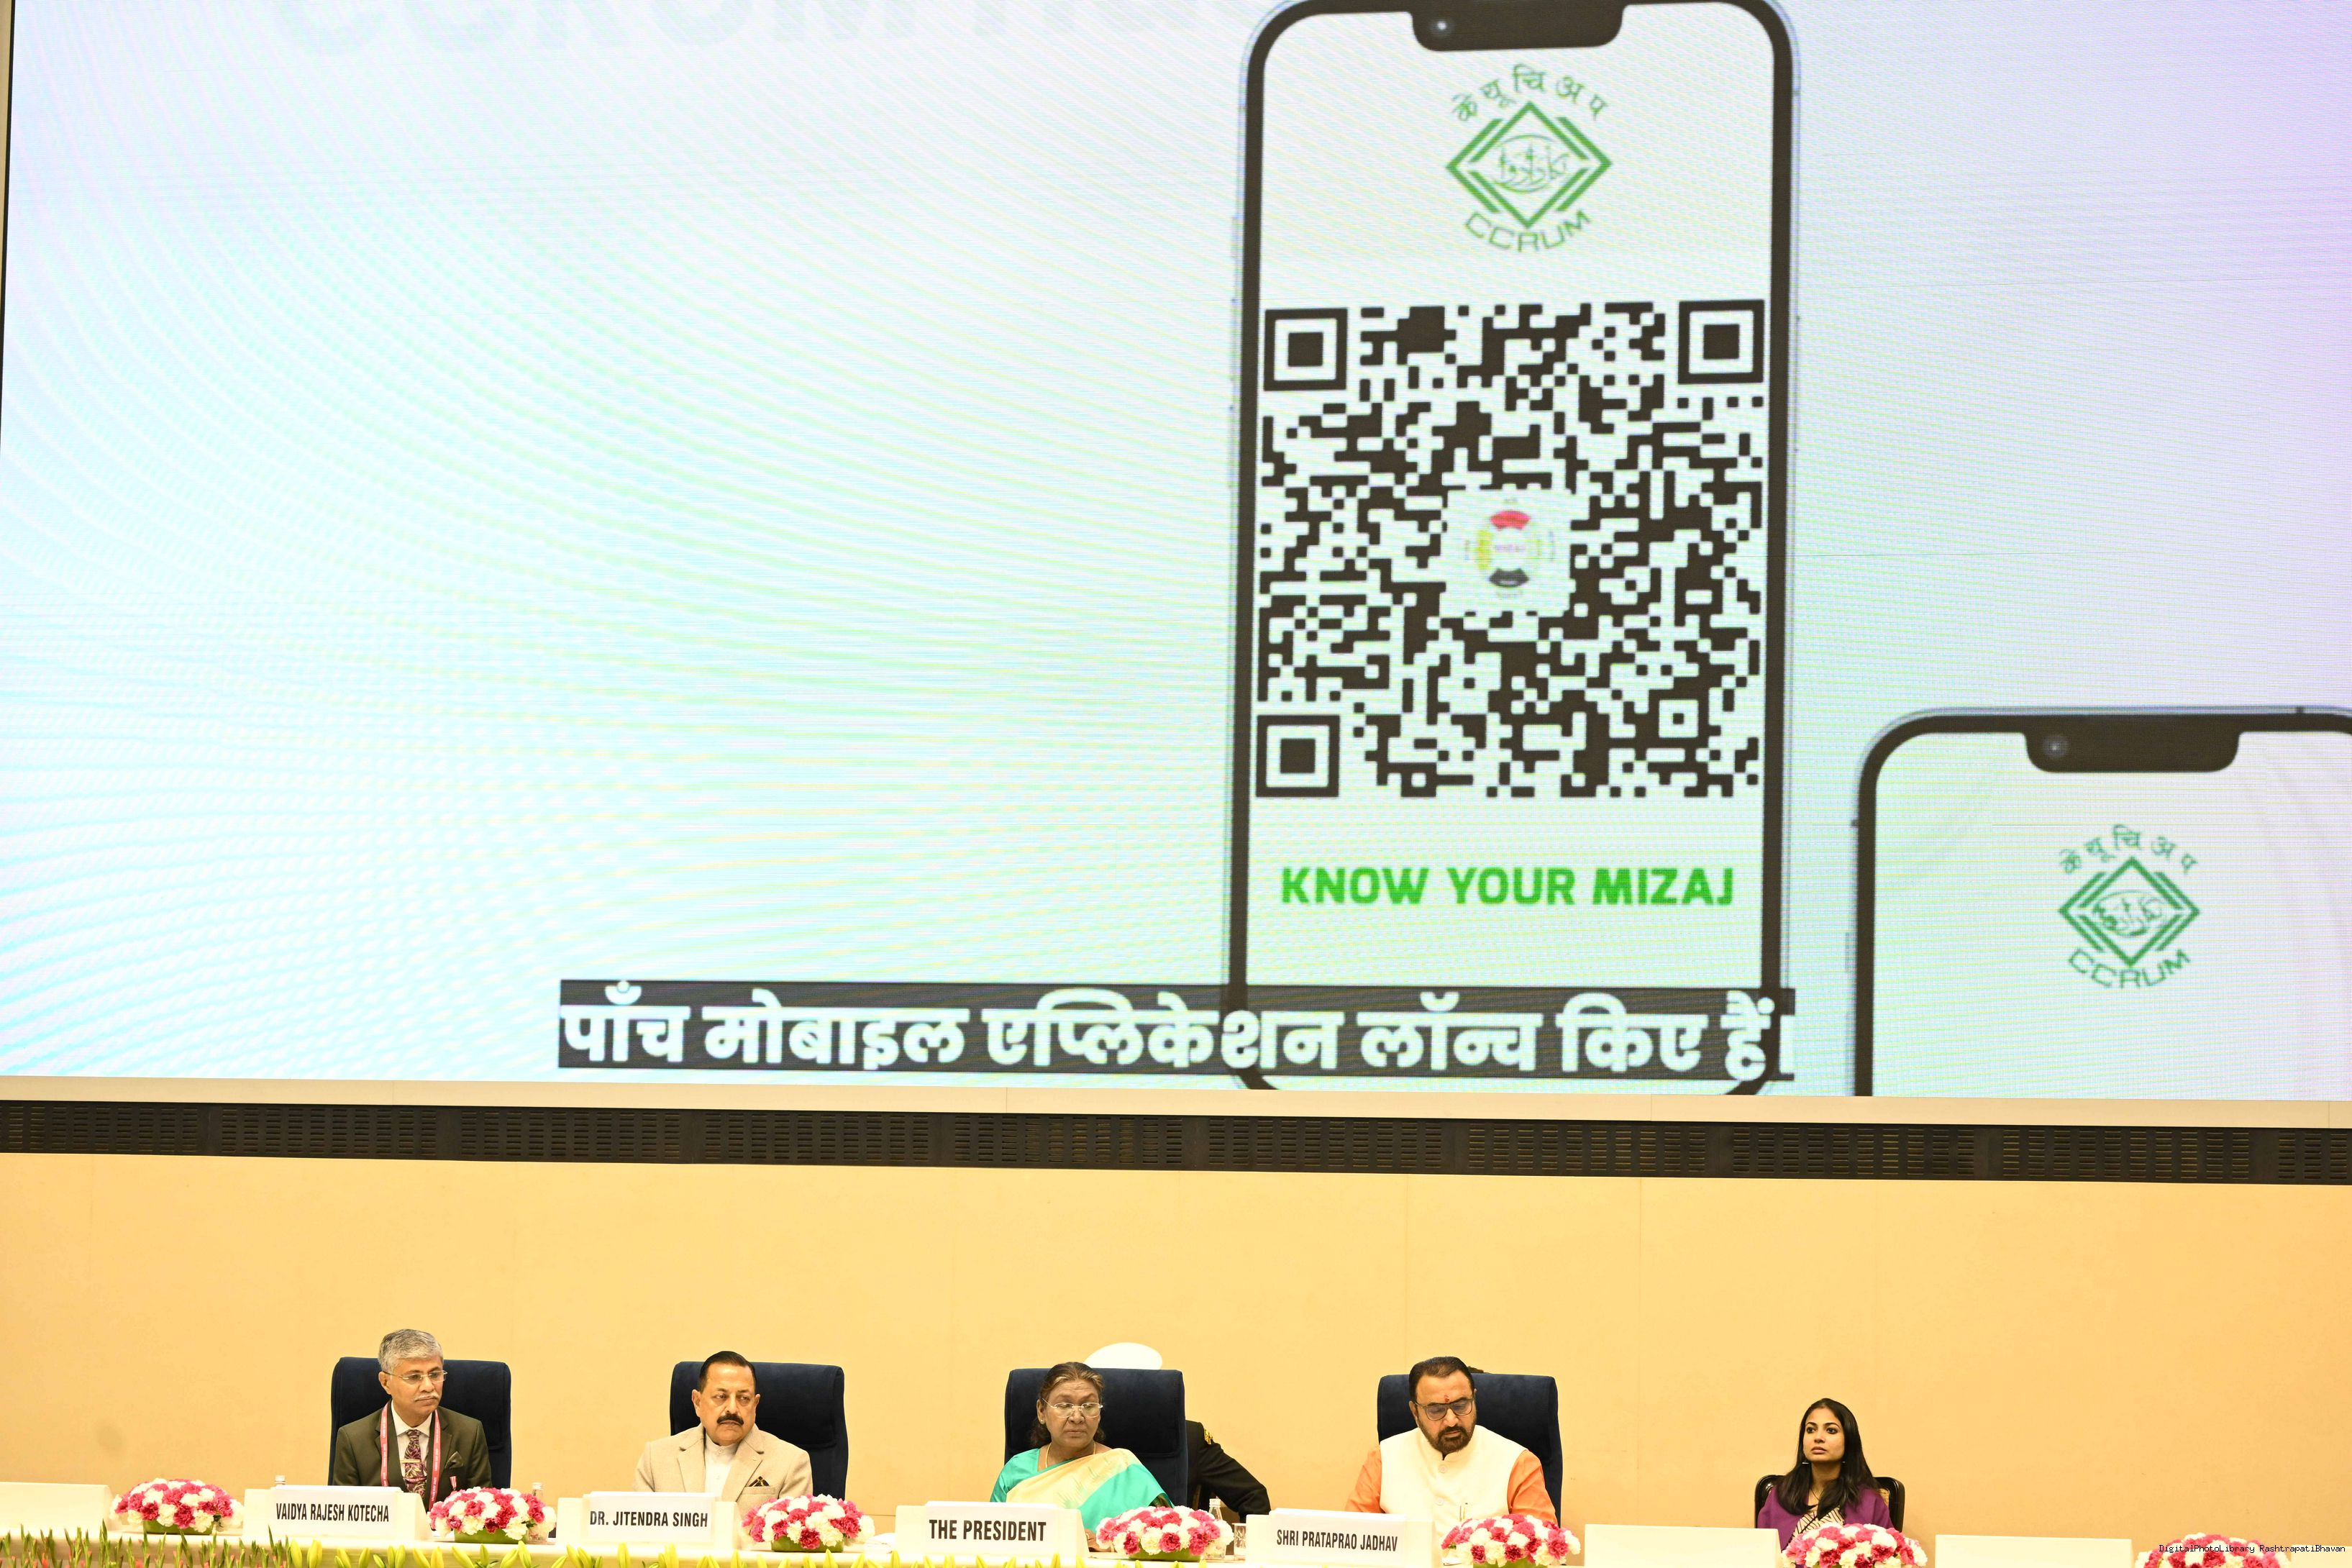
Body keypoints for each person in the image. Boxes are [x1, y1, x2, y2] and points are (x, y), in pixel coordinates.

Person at [1345, 1357, 1555, 1526]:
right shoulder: (1383, 1458)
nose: (1451, 1420)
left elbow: (1540, 1549)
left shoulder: (1517, 1462)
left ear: (1474, 1399)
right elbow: (1353, 1539)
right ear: (1415, 1412)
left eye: (1461, 1405)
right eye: (1436, 1410)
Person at [1081, 1342, 1272, 1517]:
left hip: (1170, 1541)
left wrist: (1244, 1543)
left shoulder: (1189, 1437)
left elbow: (1253, 1497)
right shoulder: (1081, 1438)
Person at [990, 1362, 1169, 1530]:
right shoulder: (1016, 1471)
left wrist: (1106, 1545)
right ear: (1042, 1411)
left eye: (1089, 1406)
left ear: (1099, 1413)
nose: (1077, 1417)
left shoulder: (1125, 1468)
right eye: (1064, 1405)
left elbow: (1168, 1537)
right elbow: (991, 1540)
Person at [329, 1329, 493, 1503]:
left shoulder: (469, 1433)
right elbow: (344, 1512)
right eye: (414, 1377)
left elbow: (482, 1509)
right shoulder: (353, 1440)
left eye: (435, 1375)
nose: (428, 1386)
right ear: (385, 1382)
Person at [635, 1352, 812, 1506]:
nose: (733, 1409)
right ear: (698, 1402)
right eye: (721, 1396)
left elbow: (790, 1533)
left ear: (755, 1404)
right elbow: (639, 1531)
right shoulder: (655, 1458)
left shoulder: (791, 1462)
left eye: (744, 1398)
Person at [1756, 1398, 1890, 1546]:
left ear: (1849, 1441)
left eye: (1831, 1430)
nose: (1818, 1437)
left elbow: (1888, 1553)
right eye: (1810, 1430)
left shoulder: (1869, 1502)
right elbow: (1760, 1551)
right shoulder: (1781, 1495)